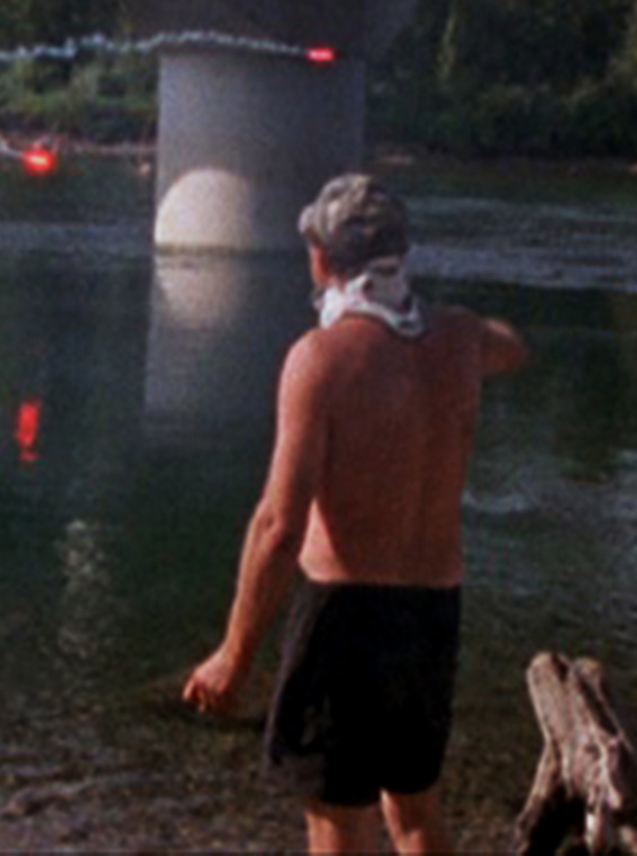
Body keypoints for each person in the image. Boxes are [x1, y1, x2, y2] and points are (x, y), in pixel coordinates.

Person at [183, 174, 528, 855]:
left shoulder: (319, 360)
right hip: (433, 613)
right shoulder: (462, 340)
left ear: (320, 260)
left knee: (338, 819)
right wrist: (443, 334)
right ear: (402, 252)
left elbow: (278, 527)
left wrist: (234, 655)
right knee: (415, 809)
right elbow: (513, 345)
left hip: (347, 616)